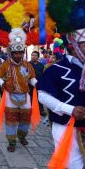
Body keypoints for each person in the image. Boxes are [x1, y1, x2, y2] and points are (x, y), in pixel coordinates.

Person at [38, 29, 85, 168]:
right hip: (66, 126)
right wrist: (70, 109)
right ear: (73, 44)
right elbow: (43, 95)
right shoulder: (55, 69)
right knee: (73, 164)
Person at [0, 28, 37, 152]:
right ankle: (12, 142)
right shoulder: (5, 64)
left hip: (25, 96)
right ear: (12, 53)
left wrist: (37, 84)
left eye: (20, 53)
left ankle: (22, 136)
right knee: (11, 121)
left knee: (25, 120)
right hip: (10, 96)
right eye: (16, 53)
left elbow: (32, 78)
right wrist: (2, 83)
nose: (18, 55)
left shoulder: (28, 65)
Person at [29, 51, 46, 116]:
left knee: (40, 97)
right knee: (30, 97)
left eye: (35, 55)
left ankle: (41, 110)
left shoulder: (41, 65)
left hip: (39, 84)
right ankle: (31, 110)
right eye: (32, 55)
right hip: (30, 84)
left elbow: (43, 74)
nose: (33, 56)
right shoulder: (28, 64)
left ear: (38, 57)